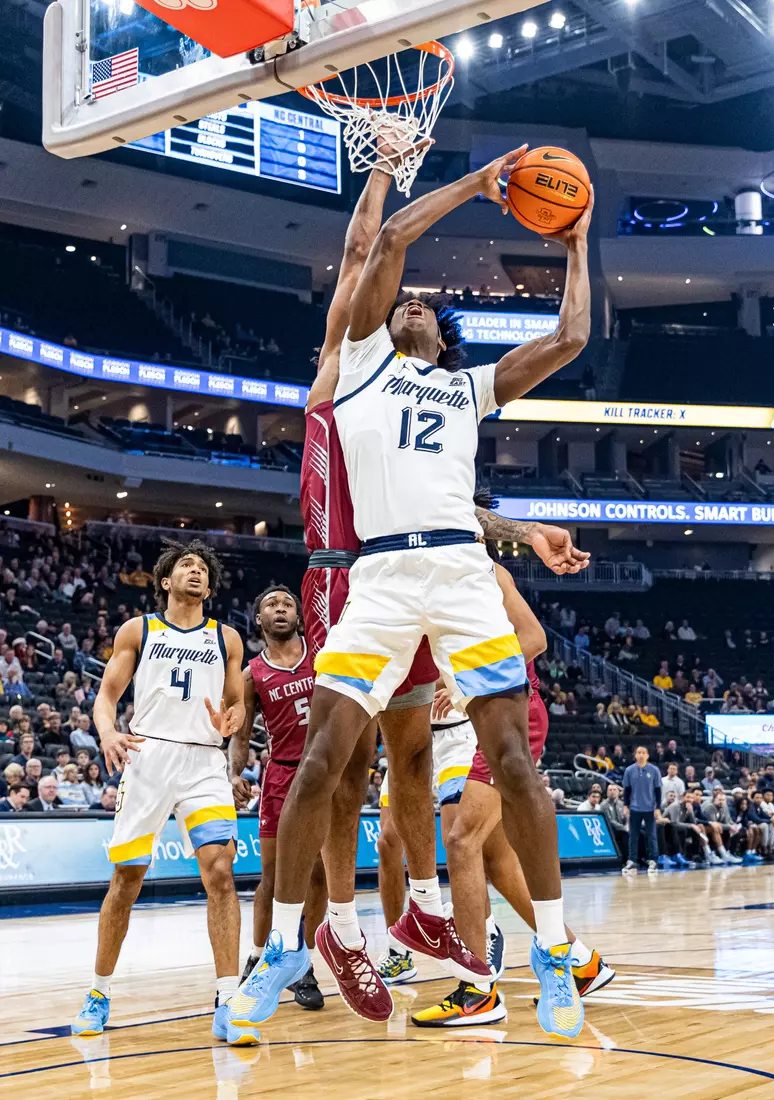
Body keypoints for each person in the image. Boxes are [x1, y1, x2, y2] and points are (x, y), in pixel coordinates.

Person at [231, 147, 594, 1042]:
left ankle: (551, 952)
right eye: (407, 300)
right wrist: (476, 185)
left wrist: (579, 246)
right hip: (378, 577)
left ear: (445, 337)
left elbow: (571, 339)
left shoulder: (468, 390)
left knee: (513, 761)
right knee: (324, 761)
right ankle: (287, 945)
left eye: (431, 305)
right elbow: (385, 235)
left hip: (465, 572)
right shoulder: (355, 365)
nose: (416, 302)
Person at [409, 544, 613, 1027]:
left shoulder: (487, 569)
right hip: (485, 718)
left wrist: (459, 683)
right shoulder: (420, 577)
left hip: (513, 712)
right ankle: (582, 961)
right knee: (496, 860)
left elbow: (534, 638)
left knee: (460, 841)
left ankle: (477, 990)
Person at [71, 539, 247, 1044]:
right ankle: (98, 993)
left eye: (202, 569)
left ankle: (227, 1000)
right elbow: (106, 696)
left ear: (209, 587)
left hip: (204, 761)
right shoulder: (139, 630)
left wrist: (231, 719)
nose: (195, 572)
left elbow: (234, 707)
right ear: (166, 582)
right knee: (126, 879)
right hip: (149, 757)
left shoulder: (227, 638)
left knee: (220, 872)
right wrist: (107, 733)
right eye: (185, 566)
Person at [231, 586, 326, 1012]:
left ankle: (299, 959)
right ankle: (258, 955)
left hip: (324, 775)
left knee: (320, 875)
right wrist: (235, 771)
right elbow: (240, 730)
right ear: (259, 619)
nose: (281, 608)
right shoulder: (252, 674)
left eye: (288, 603)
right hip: (281, 775)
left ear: (299, 615)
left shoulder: (322, 656)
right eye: (270, 604)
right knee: (272, 876)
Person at [621, 746, 662, 875]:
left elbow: (658, 791)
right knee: (633, 836)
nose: (641, 755)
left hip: (650, 808)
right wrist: (626, 805)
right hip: (634, 808)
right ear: (635, 755)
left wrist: (657, 807)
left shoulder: (654, 770)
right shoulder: (629, 770)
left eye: (643, 752)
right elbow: (627, 790)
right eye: (639, 752)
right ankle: (632, 860)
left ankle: (653, 860)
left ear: (647, 755)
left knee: (652, 836)